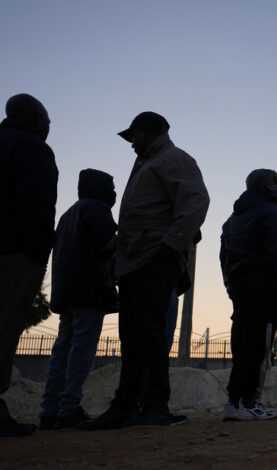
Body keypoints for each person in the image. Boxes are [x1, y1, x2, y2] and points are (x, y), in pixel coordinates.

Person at [84, 112, 209, 429]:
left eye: (134, 135)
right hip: (133, 263)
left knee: (151, 334)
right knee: (132, 336)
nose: (131, 142)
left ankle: (155, 406)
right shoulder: (146, 164)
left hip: (154, 258)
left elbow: (195, 202)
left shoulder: (173, 159)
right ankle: (125, 406)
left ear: (151, 132)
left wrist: (170, 247)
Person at [39, 169, 117, 430]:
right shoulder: (96, 209)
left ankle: (49, 410)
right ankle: (69, 408)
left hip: (67, 291)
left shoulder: (68, 214)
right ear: (100, 188)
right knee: (81, 351)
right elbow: (108, 245)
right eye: (112, 187)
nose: (114, 193)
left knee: (62, 350)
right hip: (89, 292)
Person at [0, 93, 58, 437]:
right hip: (14, 253)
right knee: (4, 327)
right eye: (47, 120)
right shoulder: (32, 148)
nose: (49, 127)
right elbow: (37, 207)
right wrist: (39, 255)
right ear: (36, 118)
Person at [221, 169, 277, 421]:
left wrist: (230, 286)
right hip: (264, 290)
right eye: (274, 183)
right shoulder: (270, 214)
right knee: (256, 346)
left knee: (241, 345)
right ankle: (249, 402)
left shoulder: (232, 218)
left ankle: (234, 402)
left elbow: (223, 257)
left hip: (240, 290)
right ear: (266, 186)